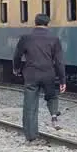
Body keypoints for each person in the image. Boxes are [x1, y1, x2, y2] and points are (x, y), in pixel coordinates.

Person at [12, 13, 66, 142]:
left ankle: (31, 136)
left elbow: (17, 56)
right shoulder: (54, 39)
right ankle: (53, 115)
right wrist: (62, 80)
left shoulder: (26, 38)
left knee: (30, 106)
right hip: (48, 74)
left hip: (31, 75)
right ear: (48, 24)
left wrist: (16, 69)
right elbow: (59, 62)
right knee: (52, 96)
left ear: (35, 23)